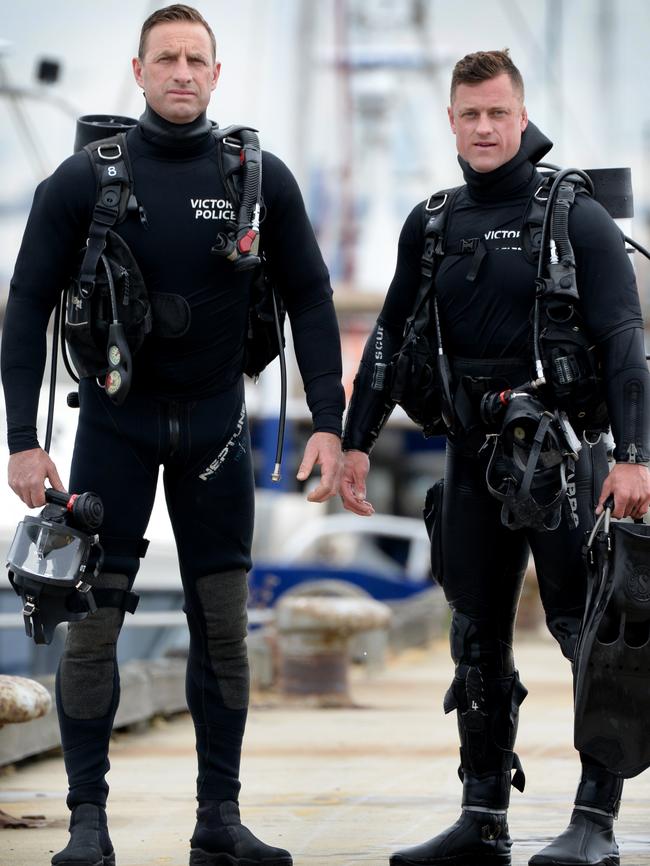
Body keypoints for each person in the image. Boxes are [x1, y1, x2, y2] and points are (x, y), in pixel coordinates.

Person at [1, 5, 344, 866]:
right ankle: (88, 824)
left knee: (222, 626)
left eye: (197, 58)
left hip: (218, 434)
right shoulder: (85, 180)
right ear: (140, 70)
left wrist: (330, 425)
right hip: (114, 428)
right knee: (94, 628)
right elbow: (26, 311)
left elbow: (309, 297)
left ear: (217, 76)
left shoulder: (256, 178)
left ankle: (218, 822)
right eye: (167, 58)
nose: (183, 71)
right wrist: (22, 440)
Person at [341, 50, 650, 866]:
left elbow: (624, 341)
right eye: (469, 114)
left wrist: (634, 457)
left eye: (497, 114)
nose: (484, 128)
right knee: (474, 633)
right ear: (451, 121)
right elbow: (386, 339)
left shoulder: (572, 215)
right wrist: (354, 440)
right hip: (473, 454)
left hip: (566, 454)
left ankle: (595, 821)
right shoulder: (432, 222)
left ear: (521, 118)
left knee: (588, 633)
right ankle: (482, 819)